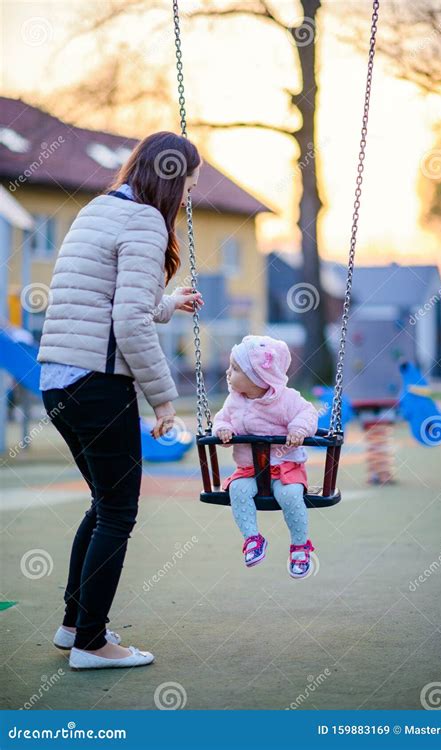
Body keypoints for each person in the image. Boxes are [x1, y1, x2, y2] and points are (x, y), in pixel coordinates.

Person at [38, 131, 204, 670]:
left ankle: (72, 626)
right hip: (97, 383)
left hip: (57, 382)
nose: (186, 200)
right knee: (118, 512)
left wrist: (167, 302)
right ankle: (92, 643)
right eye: (189, 189)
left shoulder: (99, 208)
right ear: (173, 179)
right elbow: (126, 324)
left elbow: (109, 301)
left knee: (102, 504)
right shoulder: (146, 221)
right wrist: (162, 402)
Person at [212, 335, 318, 579]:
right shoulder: (233, 401)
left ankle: (300, 546)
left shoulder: (287, 399)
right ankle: (253, 538)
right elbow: (221, 419)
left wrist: (298, 429)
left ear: (259, 377)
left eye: (235, 368)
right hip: (249, 470)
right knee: (237, 490)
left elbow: (308, 413)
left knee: (290, 495)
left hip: (284, 469)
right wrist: (223, 430)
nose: (228, 372)